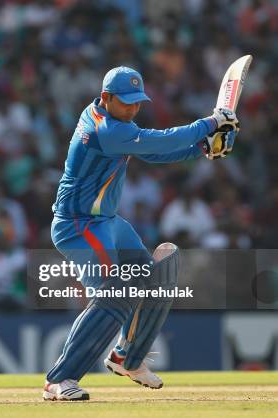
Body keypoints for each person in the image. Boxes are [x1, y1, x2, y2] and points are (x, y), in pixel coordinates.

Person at [43, 66, 238, 401]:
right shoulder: (102, 128)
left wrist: (203, 149)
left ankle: (127, 358)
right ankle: (59, 381)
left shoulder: (119, 124)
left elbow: (153, 151)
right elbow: (159, 140)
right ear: (106, 98)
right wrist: (209, 124)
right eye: (126, 102)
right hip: (78, 226)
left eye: (137, 102)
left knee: (155, 275)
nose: (133, 108)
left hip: (108, 222)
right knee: (116, 291)